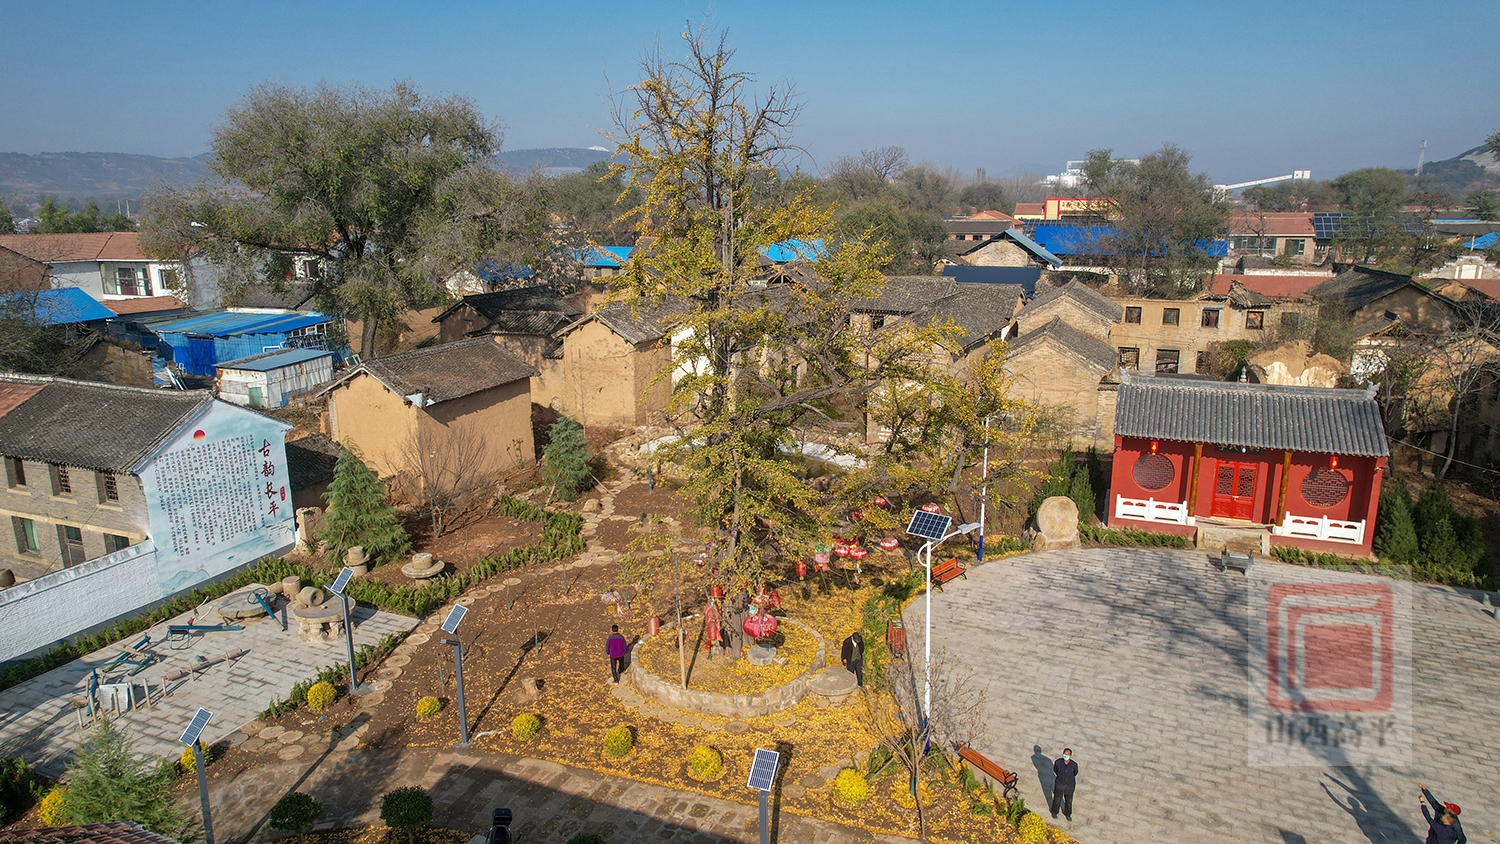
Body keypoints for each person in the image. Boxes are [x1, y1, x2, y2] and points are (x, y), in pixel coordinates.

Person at [1050, 748, 1078, 821]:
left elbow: (1075, 773)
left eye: (1067, 754)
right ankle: (1054, 812)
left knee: (1069, 801)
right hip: (1060, 784)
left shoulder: (1074, 765)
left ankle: (1068, 814)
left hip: (1069, 786)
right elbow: (1055, 770)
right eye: (1065, 754)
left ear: (1070, 756)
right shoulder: (1058, 762)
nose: (1066, 756)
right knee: (1057, 800)